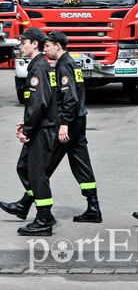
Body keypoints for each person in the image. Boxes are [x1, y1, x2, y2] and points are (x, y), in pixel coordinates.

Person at [0, 28, 59, 236]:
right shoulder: (39, 66)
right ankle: (27, 205)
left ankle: (44, 219)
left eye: (23, 42)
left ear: (35, 44)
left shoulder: (39, 68)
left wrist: (28, 128)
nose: (20, 45)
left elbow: (39, 102)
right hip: (41, 126)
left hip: (42, 130)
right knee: (24, 167)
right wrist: (26, 123)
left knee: (37, 174)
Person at [40, 31, 102, 223]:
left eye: (48, 45)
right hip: (79, 120)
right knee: (81, 164)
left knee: (43, 165)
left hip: (69, 123)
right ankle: (94, 207)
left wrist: (64, 123)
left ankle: (28, 203)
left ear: (58, 45)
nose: (45, 48)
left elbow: (70, 97)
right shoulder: (70, 63)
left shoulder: (64, 65)